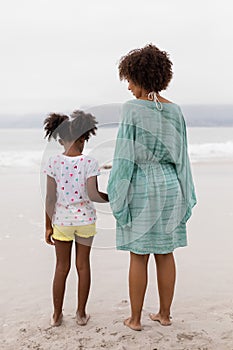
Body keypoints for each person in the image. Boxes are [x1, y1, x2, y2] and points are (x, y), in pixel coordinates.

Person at [107, 44, 196, 331]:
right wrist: (186, 194)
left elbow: (124, 157)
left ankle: (134, 319)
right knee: (166, 252)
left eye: (130, 80)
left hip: (142, 185)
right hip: (171, 185)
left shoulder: (132, 109)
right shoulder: (176, 110)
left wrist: (117, 195)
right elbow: (182, 157)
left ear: (141, 77)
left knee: (139, 253)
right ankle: (165, 315)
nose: (129, 87)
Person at [44, 110, 108, 327]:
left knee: (61, 267)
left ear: (60, 140)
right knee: (83, 266)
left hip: (61, 221)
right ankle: (80, 314)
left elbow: (50, 198)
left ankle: (56, 315)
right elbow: (93, 195)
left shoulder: (53, 162)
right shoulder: (89, 162)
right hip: (85, 221)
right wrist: (112, 198)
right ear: (83, 138)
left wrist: (47, 226)